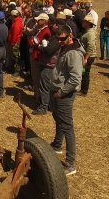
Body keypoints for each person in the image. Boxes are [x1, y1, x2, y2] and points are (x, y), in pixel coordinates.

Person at [50, 24, 85, 176]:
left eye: (63, 39)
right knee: (58, 118)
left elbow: (76, 78)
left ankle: (70, 163)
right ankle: (57, 145)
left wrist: (61, 92)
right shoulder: (66, 47)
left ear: (69, 36)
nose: (60, 41)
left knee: (67, 127)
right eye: (58, 39)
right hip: (58, 92)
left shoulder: (74, 54)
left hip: (64, 94)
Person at [32, 17, 63, 115]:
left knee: (44, 86)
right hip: (47, 63)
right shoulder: (55, 37)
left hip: (48, 65)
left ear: (57, 26)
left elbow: (49, 51)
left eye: (53, 24)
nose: (51, 26)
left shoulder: (57, 39)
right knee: (46, 86)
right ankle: (49, 105)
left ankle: (43, 107)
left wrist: (41, 47)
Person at [28, 13, 52, 102]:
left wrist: (31, 39)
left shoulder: (45, 31)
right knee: (35, 77)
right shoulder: (41, 29)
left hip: (37, 56)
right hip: (36, 55)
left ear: (44, 21)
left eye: (39, 20)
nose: (37, 21)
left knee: (37, 77)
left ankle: (38, 98)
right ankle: (37, 96)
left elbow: (33, 42)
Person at [79, 15, 97, 96]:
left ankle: (84, 91)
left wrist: (86, 58)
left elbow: (91, 46)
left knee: (85, 73)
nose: (82, 22)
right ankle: (83, 89)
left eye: (84, 21)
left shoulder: (90, 33)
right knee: (83, 73)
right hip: (86, 54)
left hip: (88, 56)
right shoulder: (87, 31)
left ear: (88, 23)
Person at [8, 10, 23, 76]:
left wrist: (13, 43)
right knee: (14, 56)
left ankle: (17, 70)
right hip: (15, 41)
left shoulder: (16, 24)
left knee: (15, 56)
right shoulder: (18, 21)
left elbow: (15, 34)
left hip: (15, 42)